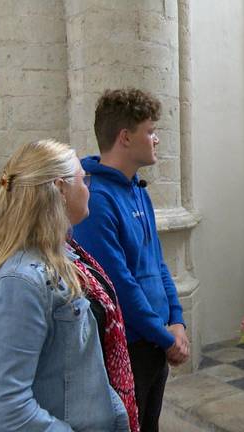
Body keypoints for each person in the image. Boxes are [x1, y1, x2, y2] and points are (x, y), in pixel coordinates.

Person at [0, 139, 129, 431]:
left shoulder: (63, 254)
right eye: (84, 179)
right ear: (61, 188)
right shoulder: (17, 282)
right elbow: (8, 408)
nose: (88, 188)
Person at [73, 88, 190, 432]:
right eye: (150, 131)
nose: (156, 140)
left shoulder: (139, 189)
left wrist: (177, 321)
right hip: (129, 344)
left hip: (155, 338)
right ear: (125, 137)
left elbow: (158, 263)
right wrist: (166, 336)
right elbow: (118, 285)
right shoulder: (96, 199)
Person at [68, 237, 141, 432]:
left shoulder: (72, 251)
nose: (89, 203)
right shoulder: (21, 278)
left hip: (98, 406)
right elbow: (10, 402)